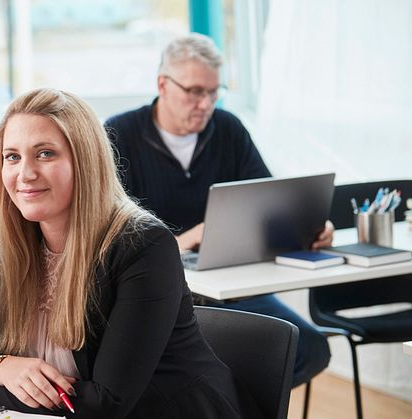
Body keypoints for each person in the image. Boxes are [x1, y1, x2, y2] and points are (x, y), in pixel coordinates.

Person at [0, 88, 243, 418]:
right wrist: (2, 367)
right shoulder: (14, 252)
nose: (25, 173)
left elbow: (105, 404)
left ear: (85, 161)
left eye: (45, 154)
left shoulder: (143, 247)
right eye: (12, 157)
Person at [104, 33, 332, 387]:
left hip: (234, 287)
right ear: (163, 85)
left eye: (214, 92)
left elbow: (268, 200)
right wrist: (183, 241)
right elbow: (106, 237)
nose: (206, 103)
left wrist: (307, 225)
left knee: (311, 347)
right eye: (195, 91)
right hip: (162, 296)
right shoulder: (118, 135)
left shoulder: (228, 129)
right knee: (210, 369)